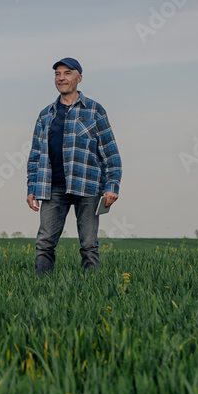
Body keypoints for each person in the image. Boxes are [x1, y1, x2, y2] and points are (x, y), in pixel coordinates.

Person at [26, 58, 122, 274]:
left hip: (87, 186)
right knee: (44, 244)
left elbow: (110, 152)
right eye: (58, 74)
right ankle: (40, 290)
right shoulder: (46, 114)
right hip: (52, 188)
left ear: (79, 78)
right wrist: (32, 188)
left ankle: (91, 291)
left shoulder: (95, 110)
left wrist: (112, 186)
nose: (61, 78)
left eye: (67, 73)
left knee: (89, 245)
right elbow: (35, 154)